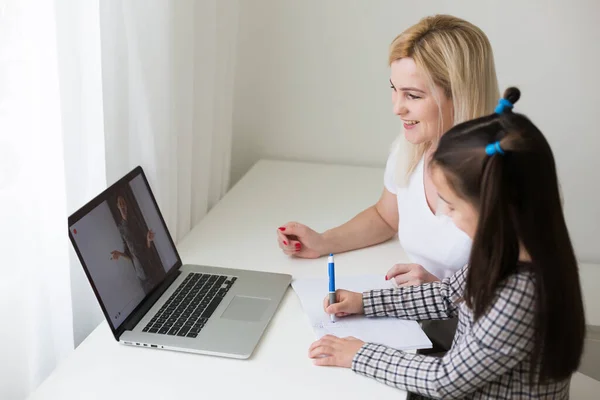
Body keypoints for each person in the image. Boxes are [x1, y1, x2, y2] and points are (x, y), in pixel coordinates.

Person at [307, 88, 586, 399]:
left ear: (496, 208)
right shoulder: (503, 250)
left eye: (452, 206)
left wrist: (359, 354)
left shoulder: (520, 294)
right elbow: (447, 294)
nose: (445, 215)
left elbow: (445, 380)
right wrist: (364, 302)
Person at [277, 14, 499, 351]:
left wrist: (441, 289)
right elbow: (386, 217)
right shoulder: (411, 148)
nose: (397, 107)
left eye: (412, 95)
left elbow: (517, 298)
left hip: (473, 338)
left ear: (459, 94)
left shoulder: (504, 177)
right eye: (394, 90)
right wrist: (323, 242)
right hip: (419, 320)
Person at [110, 195, 156, 293]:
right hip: (140, 275)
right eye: (120, 203)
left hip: (149, 266)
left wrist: (148, 240)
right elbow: (129, 255)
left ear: (126, 205)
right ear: (118, 206)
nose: (122, 206)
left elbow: (146, 245)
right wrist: (119, 253)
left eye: (123, 203)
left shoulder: (135, 221)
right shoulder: (121, 228)